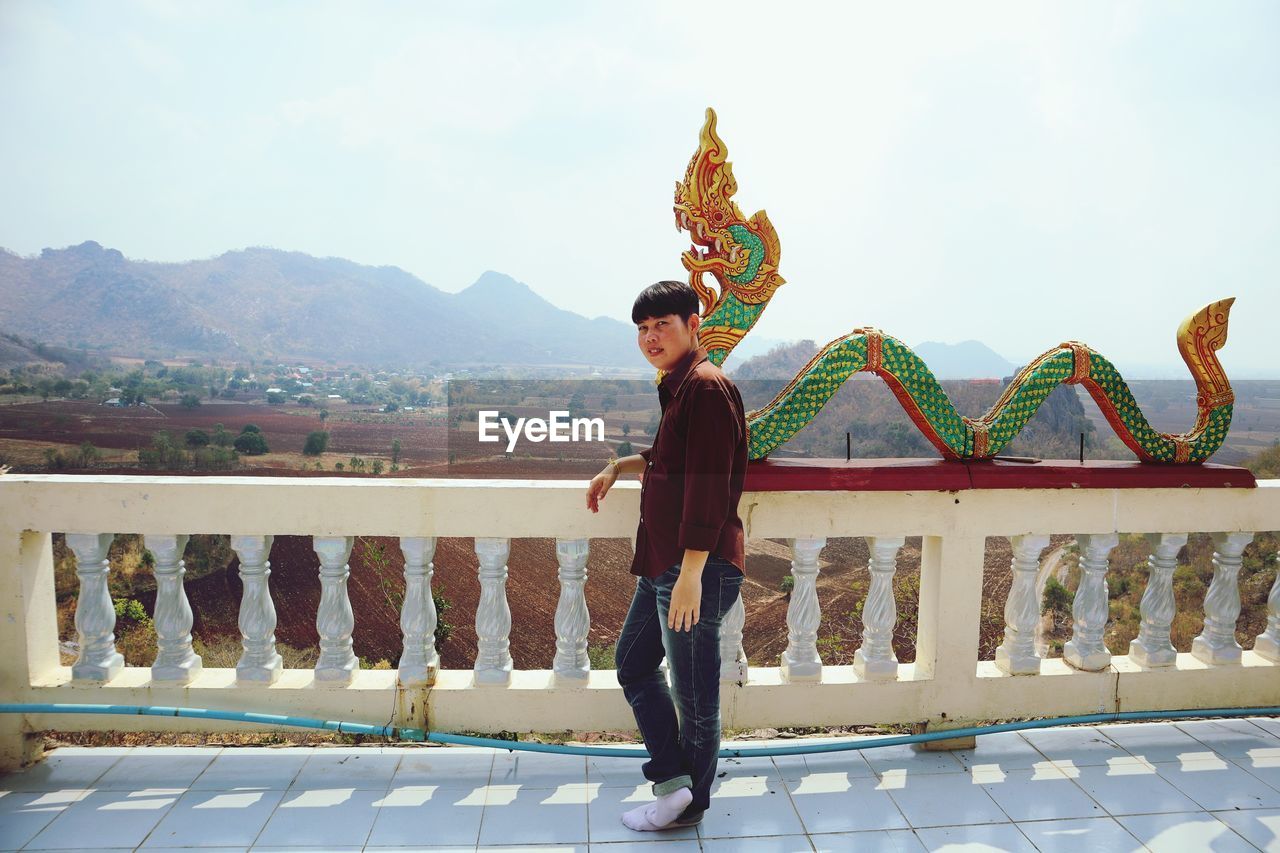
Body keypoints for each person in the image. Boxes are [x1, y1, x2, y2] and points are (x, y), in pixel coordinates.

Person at [585, 279, 748, 831]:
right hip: (664, 563)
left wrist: (692, 575)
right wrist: (620, 466)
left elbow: (708, 485)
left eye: (663, 325)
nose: (651, 337)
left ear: (693, 325)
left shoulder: (705, 388)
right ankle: (676, 786)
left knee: (696, 695)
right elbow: (672, 458)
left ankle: (687, 807)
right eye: (643, 329)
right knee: (632, 663)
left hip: (692, 568)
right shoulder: (681, 387)